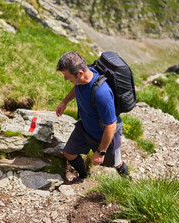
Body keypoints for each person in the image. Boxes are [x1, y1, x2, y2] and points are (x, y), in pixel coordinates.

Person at [55, 52, 129, 184]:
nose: (65, 80)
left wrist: (101, 152)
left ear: (80, 73)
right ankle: (83, 176)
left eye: (68, 77)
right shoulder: (81, 79)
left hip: (104, 134)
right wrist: (65, 102)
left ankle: (128, 182)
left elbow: (111, 126)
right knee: (69, 153)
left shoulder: (102, 94)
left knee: (115, 163)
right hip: (85, 126)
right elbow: (76, 86)